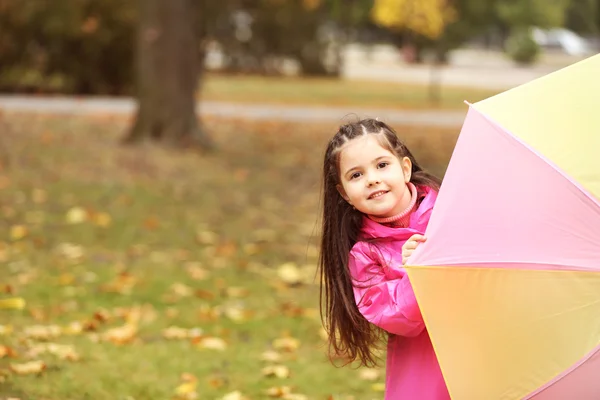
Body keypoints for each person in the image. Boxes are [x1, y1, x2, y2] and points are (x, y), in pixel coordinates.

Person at [318, 118, 450, 399]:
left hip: (484, 345)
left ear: (404, 168)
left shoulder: (450, 213)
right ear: (344, 194)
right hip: (425, 370)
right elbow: (397, 318)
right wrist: (414, 273)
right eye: (356, 175)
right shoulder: (365, 255)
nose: (372, 179)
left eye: (381, 165)